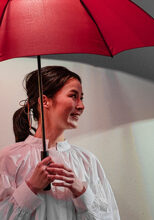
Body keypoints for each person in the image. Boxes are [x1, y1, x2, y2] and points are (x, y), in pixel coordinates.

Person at [0, 66, 120, 219]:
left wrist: (82, 191)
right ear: (45, 101)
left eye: (81, 98)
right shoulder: (9, 159)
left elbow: (110, 216)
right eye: (73, 96)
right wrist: (30, 188)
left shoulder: (87, 161)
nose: (81, 106)